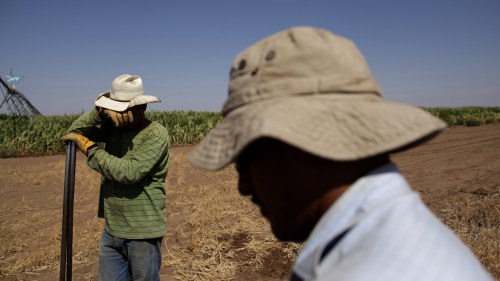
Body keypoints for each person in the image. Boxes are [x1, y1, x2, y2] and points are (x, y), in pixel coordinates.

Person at [188, 27, 493, 280]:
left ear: (297, 145)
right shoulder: (386, 243)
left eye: (245, 160)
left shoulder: (372, 271)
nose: (244, 187)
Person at [62, 74, 170, 281]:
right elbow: (72, 133)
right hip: (112, 229)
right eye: (117, 109)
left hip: (143, 232)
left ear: (142, 107)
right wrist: (98, 114)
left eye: (126, 109)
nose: (121, 115)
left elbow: (130, 172)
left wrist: (92, 150)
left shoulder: (155, 134)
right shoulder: (112, 128)